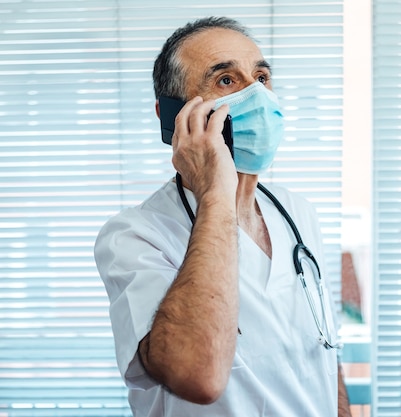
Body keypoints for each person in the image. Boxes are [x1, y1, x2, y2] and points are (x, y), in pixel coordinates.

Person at [94, 16, 352, 416]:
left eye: (261, 77)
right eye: (227, 81)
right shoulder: (135, 235)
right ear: (173, 115)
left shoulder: (298, 213)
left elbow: (322, 356)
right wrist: (216, 193)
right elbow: (197, 376)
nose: (259, 97)